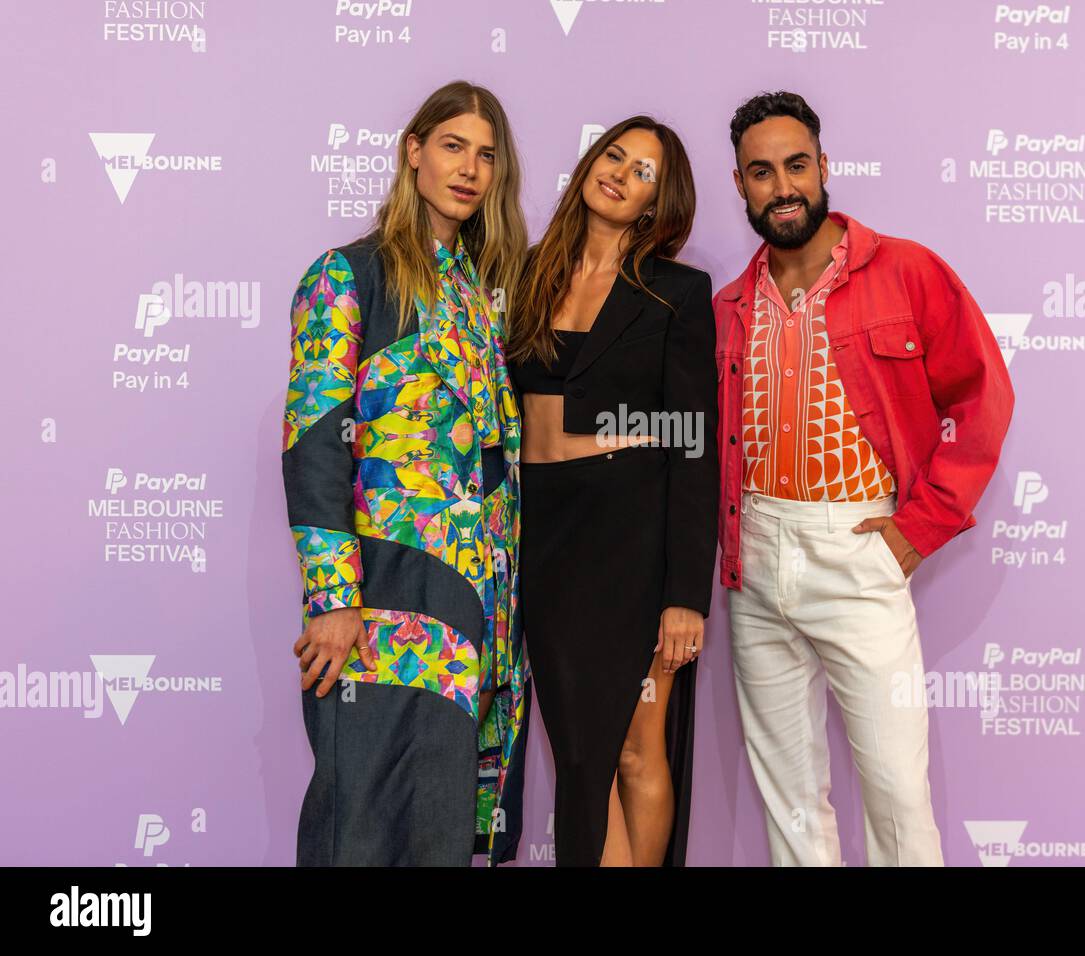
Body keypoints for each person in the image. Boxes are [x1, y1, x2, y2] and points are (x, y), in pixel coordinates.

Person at [713, 91, 1015, 866]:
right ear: (740, 185)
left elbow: (984, 398)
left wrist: (917, 531)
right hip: (755, 557)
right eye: (761, 172)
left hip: (859, 547)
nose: (782, 187)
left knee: (895, 794)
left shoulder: (905, 272)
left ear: (823, 168)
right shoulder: (730, 307)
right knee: (790, 797)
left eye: (796, 166)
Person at [282, 80, 531, 866]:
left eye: (486, 156)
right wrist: (332, 599)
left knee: (460, 826)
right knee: (365, 822)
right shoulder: (348, 276)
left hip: (483, 606)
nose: (469, 169)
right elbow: (315, 440)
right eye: (452, 146)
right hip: (387, 604)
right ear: (413, 152)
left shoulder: (483, 295)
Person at [506, 116, 718, 866]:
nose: (622, 173)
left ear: (660, 206)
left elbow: (691, 443)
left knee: (636, 743)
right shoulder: (526, 274)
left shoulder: (678, 294)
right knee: (580, 756)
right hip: (544, 532)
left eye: (645, 172)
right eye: (614, 155)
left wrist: (686, 592)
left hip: (631, 535)